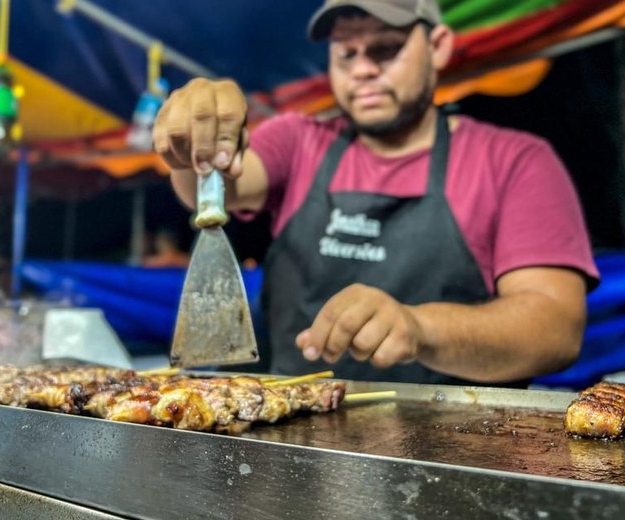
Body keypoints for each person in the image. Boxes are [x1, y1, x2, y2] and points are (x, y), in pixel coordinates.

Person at [152, 0, 599, 385]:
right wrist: (198, 134)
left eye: (386, 49)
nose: (363, 69)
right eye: (347, 53)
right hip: (294, 452)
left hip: (454, 453)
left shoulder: (512, 160)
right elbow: (217, 188)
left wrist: (418, 326)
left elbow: (555, 329)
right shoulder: (300, 141)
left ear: (438, 46)